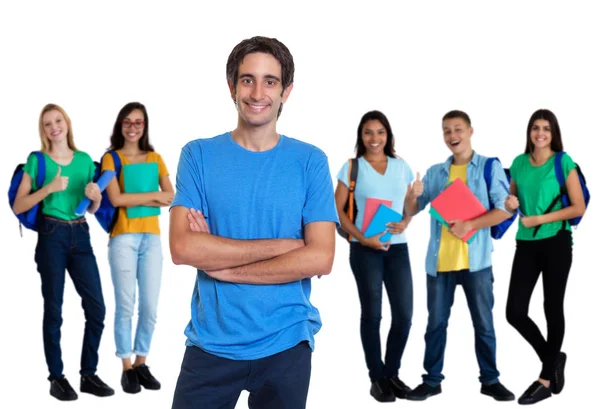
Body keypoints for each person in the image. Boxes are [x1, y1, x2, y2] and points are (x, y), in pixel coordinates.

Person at [169, 36, 338, 409]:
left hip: (286, 341)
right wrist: (285, 246)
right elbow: (183, 248)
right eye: (247, 79)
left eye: (270, 81)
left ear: (286, 91)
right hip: (211, 342)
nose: (257, 92)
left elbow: (321, 258)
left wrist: (225, 267)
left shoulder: (310, 161)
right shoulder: (197, 155)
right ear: (232, 86)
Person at [404, 110, 514, 402]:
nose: (452, 136)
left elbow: (505, 208)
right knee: (436, 324)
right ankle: (431, 381)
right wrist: (412, 194)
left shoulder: (488, 166)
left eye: (457, 129)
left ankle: (490, 380)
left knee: (484, 324)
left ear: (470, 131)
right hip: (440, 263)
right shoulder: (435, 173)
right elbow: (412, 211)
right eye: (446, 131)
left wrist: (471, 224)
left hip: (477, 262)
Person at [12, 103, 114, 401]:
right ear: (42, 130)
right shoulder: (37, 161)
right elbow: (19, 205)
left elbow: (93, 208)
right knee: (54, 310)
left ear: (66, 123)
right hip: (51, 236)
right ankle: (57, 377)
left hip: (80, 235)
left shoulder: (84, 160)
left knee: (97, 309)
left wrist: (94, 199)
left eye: (58, 120)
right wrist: (49, 188)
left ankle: (88, 374)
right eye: (47, 124)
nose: (53, 126)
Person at [504, 109, 585, 405]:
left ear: (554, 133)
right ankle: (553, 359)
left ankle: (545, 379)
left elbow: (578, 207)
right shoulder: (518, 163)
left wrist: (541, 219)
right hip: (526, 244)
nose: (540, 133)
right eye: (535, 128)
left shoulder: (563, 162)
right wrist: (509, 202)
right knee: (514, 312)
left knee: (552, 306)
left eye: (546, 129)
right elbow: (511, 203)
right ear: (529, 132)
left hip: (557, 242)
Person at [334, 110, 414, 402]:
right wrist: (361, 237)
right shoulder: (352, 167)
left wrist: (407, 218)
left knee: (404, 315)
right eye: (368, 132)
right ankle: (377, 378)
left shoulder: (401, 166)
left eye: (380, 132)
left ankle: (392, 372)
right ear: (361, 136)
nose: (375, 138)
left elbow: (408, 205)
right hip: (365, 250)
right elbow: (337, 210)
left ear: (388, 135)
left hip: (397, 248)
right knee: (373, 314)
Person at [101, 102, 174, 394]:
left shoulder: (155, 158)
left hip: (151, 238)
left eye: (138, 123)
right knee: (126, 305)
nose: (133, 128)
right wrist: (152, 195)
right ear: (120, 125)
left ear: (145, 126)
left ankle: (142, 361)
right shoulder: (111, 159)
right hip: (123, 237)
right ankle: (126, 367)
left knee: (150, 306)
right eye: (127, 122)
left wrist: (141, 196)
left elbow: (170, 195)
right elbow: (117, 200)